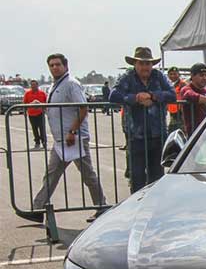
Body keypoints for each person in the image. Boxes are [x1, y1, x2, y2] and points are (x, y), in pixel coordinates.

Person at [18, 53, 106, 224]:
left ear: (65, 65)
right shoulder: (55, 85)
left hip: (75, 139)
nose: (54, 68)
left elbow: (83, 108)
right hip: (61, 141)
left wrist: (72, 131)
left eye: (57, 64)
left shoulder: (71, 84)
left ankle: (102, 207)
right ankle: (38, 209)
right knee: (51, 175)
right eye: (51, 65)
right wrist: (42, 106)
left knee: (88, 175)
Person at [109, 47, 176, 193]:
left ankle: (155, 209)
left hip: (158, 135)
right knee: (137, 177)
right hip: (136, 136)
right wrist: (136, 98)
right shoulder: (127, 77)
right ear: (135, 64)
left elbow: (172, 95)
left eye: (148, 64)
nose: (145, 67)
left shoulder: (158, 76)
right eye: (141, 63)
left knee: (157, 176)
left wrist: (152, 96)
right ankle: (136, 210)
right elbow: (113, 95)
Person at [180, 63, 206, 137]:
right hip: (194, 134)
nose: (204, 78)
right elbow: (189, 95)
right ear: (192, 76)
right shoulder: (186, 89)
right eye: (201, 75)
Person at [23, 80, 47, 148]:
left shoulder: (42, 93)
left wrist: (45, 109)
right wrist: (24, 112)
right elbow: (24, 103)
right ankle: (37, 142)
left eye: (34, 84)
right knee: (34, 129)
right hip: (31, 114)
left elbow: (46, 102)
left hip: (40, 114)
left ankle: (44, 142)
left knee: (42, 128)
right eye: (32, 85)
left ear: (37, 85)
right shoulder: (27, 93)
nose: (33, 86)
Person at [165, 66, 186, 134]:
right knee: (171, 131)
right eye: (171, 74)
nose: (173, 76)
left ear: (178, 75)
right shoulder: (167, 84)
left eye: (175, 74)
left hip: (180, 113)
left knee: (180, 132)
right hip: (172, 112)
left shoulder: (182, 84)